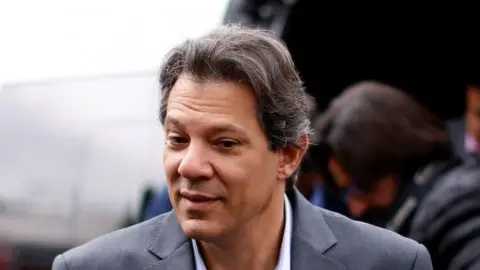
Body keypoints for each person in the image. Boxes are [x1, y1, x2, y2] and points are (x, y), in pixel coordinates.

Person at [52, 24, 431, 270]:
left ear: (289, 155)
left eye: (224, 143)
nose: (190, 166)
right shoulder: (90, 267)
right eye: (178, 140)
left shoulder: (390, 263)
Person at [312, 80, 480, 270]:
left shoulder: (455, 206)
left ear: (399, 158)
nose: (356, 207)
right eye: (344, 192)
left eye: (364, 187)